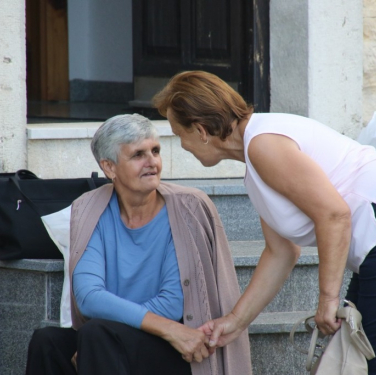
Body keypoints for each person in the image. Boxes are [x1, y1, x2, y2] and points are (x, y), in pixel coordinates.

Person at [152, 71, 376, 375]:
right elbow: (281, 253)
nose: (183, 146)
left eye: (180, 135)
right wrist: (235, 321)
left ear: (201, 129)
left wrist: (328, 299)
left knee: (372, 361)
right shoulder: (256, 156)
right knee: (354, 356)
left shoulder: (264, 144)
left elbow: (333, 215)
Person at [25, 114, 252, 375]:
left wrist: (118, 330)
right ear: (109, 168)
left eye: (155, 151)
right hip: (149, 334)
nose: (152, 162)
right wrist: (121, 333)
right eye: (138, 155)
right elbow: (88, 297)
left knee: (96, 334)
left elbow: (172, 304)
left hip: (178, 349)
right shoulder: (89, 209)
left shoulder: (187, 208)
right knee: (48, 341)